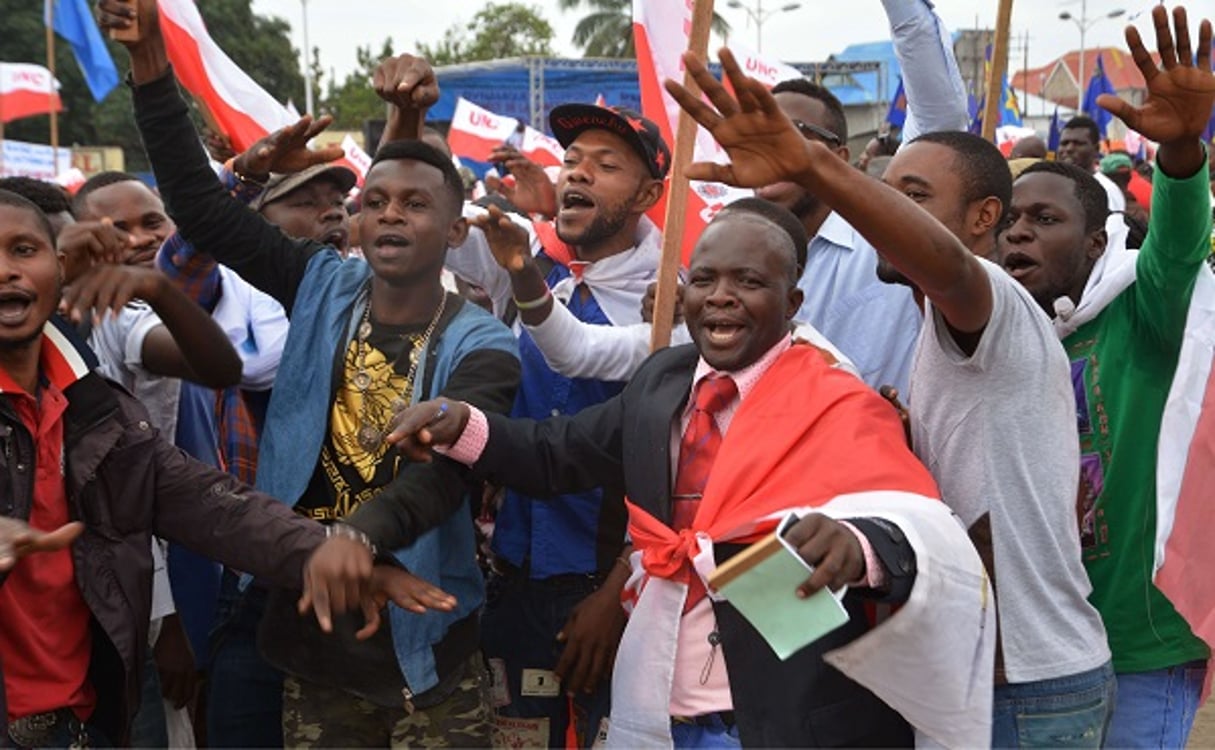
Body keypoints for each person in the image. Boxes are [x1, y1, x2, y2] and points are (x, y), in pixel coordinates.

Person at [388, 192, 993, 748]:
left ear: (792, 302)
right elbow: (558, 450)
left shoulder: (836, 396)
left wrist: (856, 545)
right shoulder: (664, 379)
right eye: (704, 279)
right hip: (657, 702)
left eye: (748, 281)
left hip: (775, 714)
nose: (721, 296)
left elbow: (909, 518)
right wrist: (461, 424)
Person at [101, 2, 522, 745]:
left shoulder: (483, 340)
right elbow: (199, 208)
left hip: (422, 635)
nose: (390, 216)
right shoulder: (319, 283)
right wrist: (149, 63)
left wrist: (357, 538)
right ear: (355, 225)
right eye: (376, 203)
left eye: (416, 204)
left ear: (456, 231)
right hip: (305, 626)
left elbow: (446, 471)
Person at [0, 188, 427, 747]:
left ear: (59, 269)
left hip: (84, 724)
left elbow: (210, 503)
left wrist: (333, 555)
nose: (6, 272)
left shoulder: (92, 408)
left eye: (23, 249)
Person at [376, 53, 670, 746]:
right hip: (511, 590)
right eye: (572, 157)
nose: (577, 171)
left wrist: (619, 590)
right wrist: (411, 119)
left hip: (617, 597)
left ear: (650, 194)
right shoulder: (536, 276)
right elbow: (408, 222)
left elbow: (675, 463)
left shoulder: (677, 301)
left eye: (606, 163)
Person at [997, 7, 1215, 745]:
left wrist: (1182, 151)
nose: (1019, 231)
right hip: (1036, 644)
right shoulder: (1004, 335)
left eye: (1043, 219)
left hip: (1140, 646)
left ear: (1096, 242)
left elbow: (1179, 250)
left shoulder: (1140, 312)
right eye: (1011, 221)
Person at [874, 130, 1113, 746]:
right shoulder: (942, 324)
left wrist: (814, 166)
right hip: (987, 680)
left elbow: (950, 265)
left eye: (914, 196)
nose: (886, 212)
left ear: (984, 218)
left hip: (1023, 690)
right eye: (883, 193)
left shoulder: (986, 289)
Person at [760, 0, 971, 396]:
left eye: (792, 135)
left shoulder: (889, 242)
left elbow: (938, 118)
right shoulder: (730, 247)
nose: (773, 149)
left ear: (838, 158)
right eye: (761, 136)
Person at [1057, 114, 1131, 255]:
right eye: (1064, 143)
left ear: (1096, 149)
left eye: (1078, 143)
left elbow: (1112, 242)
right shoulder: (1058, 186)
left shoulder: (1106, 189)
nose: (1069, 148)